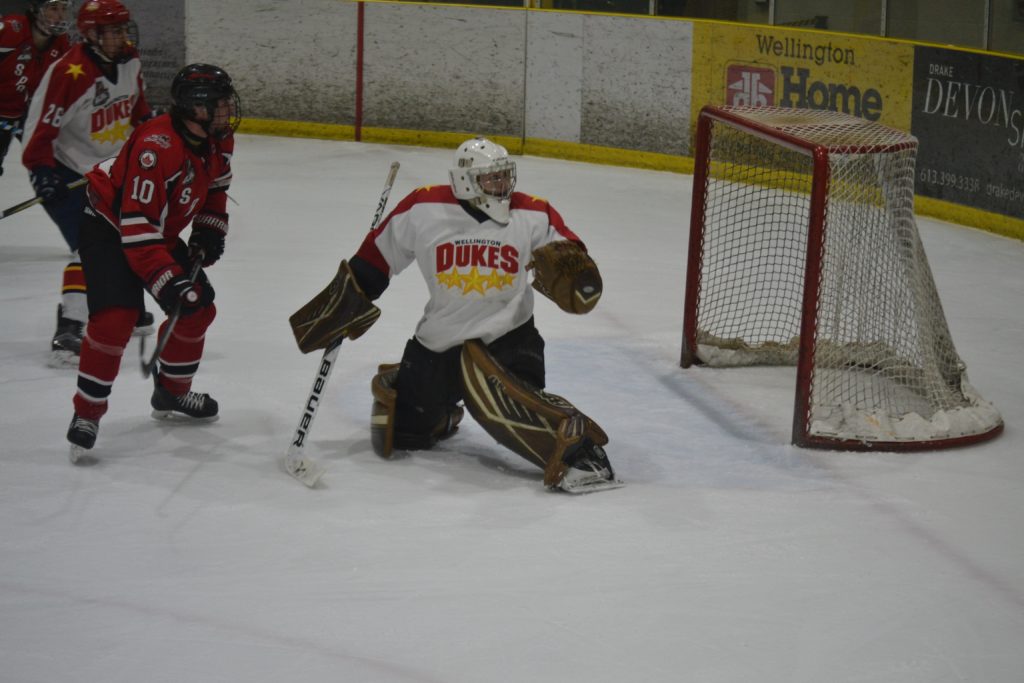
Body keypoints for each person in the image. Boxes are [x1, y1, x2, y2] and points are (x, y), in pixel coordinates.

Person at [289, 137, 622, 493]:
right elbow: (375, 259)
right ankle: (434, 408)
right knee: (402, 434)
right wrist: (346, 302)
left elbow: (570, 252)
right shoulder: (423, 207)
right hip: (440, 342)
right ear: (465, 180)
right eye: (491, 178)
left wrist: (575, 271)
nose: (503, 186)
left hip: (509, 339)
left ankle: (579, 452)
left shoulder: (533, 213)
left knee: (512, 408)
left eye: (505, 176)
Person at [65, 63, 239, 460]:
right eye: (219, 104)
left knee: (197, 309)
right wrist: (169, 283)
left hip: (149, 232)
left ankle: (171, 393)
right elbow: (137, 231)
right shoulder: (155, 149)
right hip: (111, 229)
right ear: (196, 109)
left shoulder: (217, 138)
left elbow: (216, 186)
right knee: (115, 320)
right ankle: (87, 413)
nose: (227, 111)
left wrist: (209, 229)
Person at [20, 0, 153, 368]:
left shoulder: (130, 61)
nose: (122, 37)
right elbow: (39, 129)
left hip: (109, 170)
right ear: (92, 35)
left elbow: (138, 111)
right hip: (64, 172)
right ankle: (69, 328)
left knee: (131, 236)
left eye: (124, 29)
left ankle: (126, 305)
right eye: (113, 31)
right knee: (90, 247)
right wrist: (42, 173)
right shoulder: (70, 72)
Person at [0, 1, 71, 176]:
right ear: (36, 11)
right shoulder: (10, 30)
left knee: (54, 159)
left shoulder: (60, 43)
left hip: (22, 111)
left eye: (64, 9)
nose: (61, 15)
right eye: (54, 9)